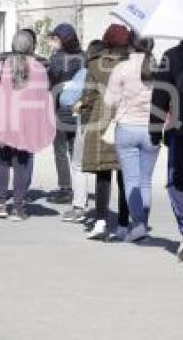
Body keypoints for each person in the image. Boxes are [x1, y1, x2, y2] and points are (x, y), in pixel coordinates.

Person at [0, 30, 56, 220]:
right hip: (27, 125)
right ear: (32, 46)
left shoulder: (0, 65)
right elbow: (44, 98)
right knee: (22, 163)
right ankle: (18, 206)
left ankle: (0, 204)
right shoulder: (39, 68)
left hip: (3, 122)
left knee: (1, 161)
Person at [150, 41, 183, 259]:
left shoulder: (171, 56)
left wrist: (154, 129)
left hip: (181, 129)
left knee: (178, 183)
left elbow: (160, 95)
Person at [79, 24, 131, 241]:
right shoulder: (134, 65)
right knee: (125, 175)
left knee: (103, 173)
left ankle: (100, 220)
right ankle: (123, 224)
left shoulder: (94, 65)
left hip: (101, 122)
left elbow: (88, 96)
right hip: (128, 122)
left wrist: (84, 117)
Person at [106, 34, 159, 242]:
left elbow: (109, 101)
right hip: (151, 128)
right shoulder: (159, 67)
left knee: (131, 180)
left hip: (127, 127)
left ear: (131, 44)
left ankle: (137, 224)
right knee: (146, 181)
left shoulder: (122, 68)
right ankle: (142, 224)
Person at [59, 40, 105, 222]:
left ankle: (79, 206)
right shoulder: (115, 71)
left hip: (88, 123)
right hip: (114, 124)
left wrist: (75, 104)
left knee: (79, 165)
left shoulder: (85, 73)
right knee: (107, 171)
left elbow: (66, 99)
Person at [46, 23, 84, 205]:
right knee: (74, 151)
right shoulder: (83, 56)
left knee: (60, 151)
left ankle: (65, 188)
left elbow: (50, 81)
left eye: (55, 38)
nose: (53, 41)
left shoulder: (57, 59)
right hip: (78, 109)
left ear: (62, 40)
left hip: (60, 110)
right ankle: (78, 188)